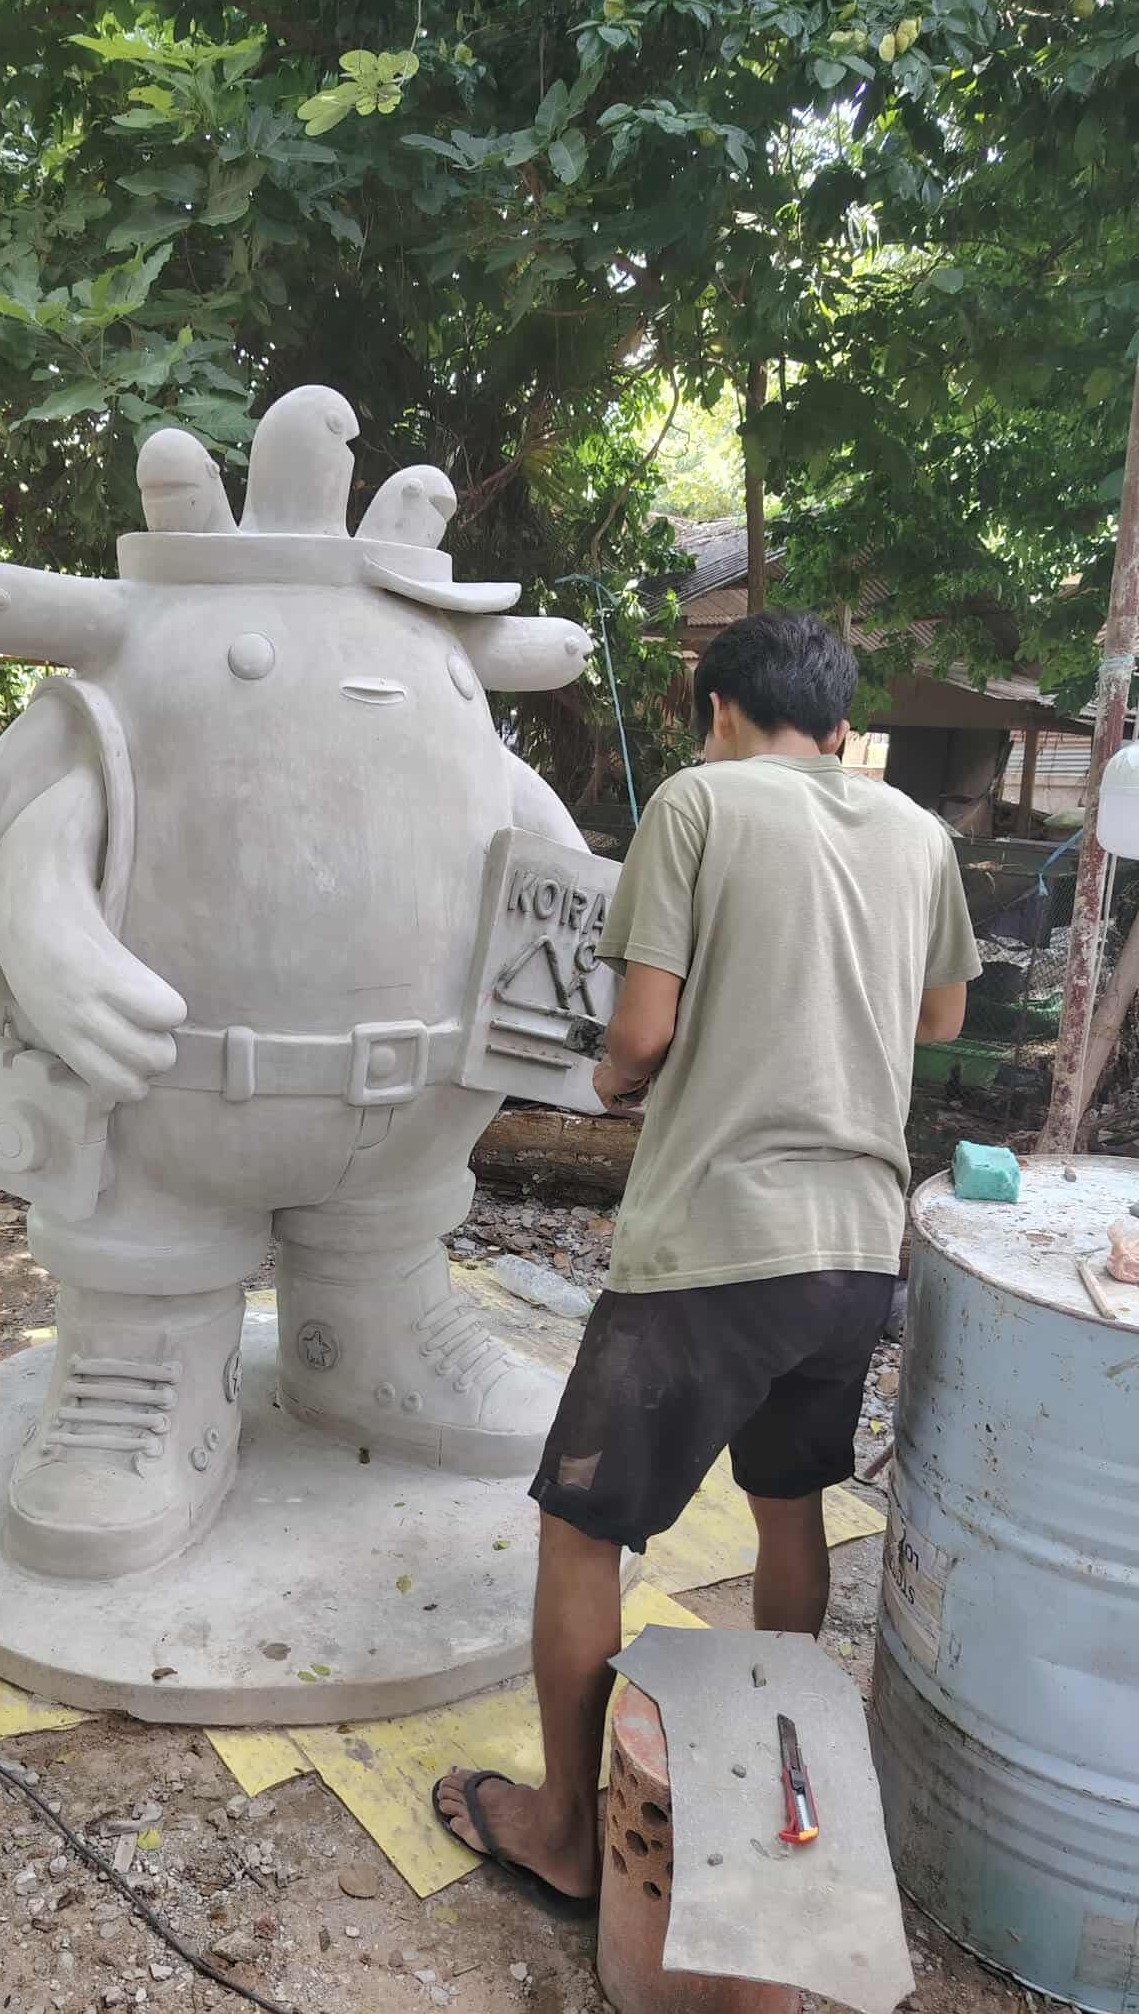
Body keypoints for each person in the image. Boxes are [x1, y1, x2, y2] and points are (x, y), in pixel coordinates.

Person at [434, 607, 981, 1912]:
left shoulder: (697, 803)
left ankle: (568, 1832)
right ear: (840, 725)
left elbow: (639, 1031)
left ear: (719, 709)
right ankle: (772, 1784)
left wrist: (617, 1079)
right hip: (856, 1248)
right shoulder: (919, 833)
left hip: (715, 1244)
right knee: (789, 1505)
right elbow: (941, 1016)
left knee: (581, 1530)